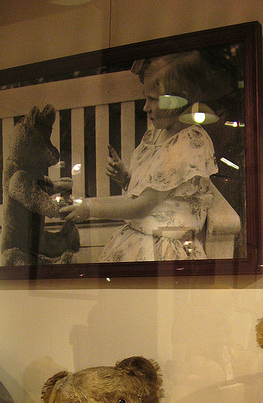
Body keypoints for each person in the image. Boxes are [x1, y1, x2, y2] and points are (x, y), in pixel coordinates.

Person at [65, 51, 222, 262]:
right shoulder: (156, 134)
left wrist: (90, 208)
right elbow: (158, 192)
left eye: (152, 99)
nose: (145, 107)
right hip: (139, 236)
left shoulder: (188, 144)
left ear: (178, 100)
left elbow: (142, 206)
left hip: (163, 249)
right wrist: (126, 179)